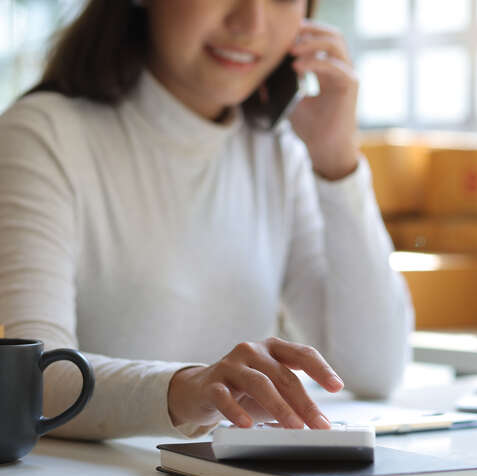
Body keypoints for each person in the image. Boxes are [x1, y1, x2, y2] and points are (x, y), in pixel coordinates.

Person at [0, 0, 413, 440]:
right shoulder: (42, 136)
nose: (250, 23)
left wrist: (337, 162)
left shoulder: (275, 153)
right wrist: (193, 388)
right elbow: (32, 380)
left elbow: (374, 370)